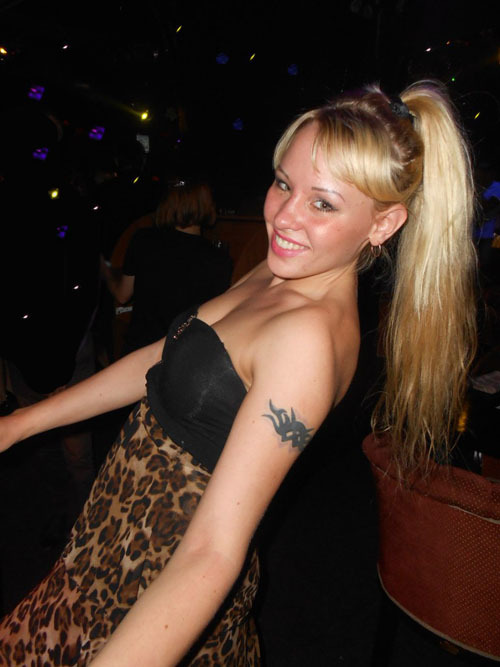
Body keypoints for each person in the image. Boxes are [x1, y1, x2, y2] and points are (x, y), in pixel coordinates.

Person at [0, 80, 476, 665]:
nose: (284, 216)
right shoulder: (280, 271)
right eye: (284, 184)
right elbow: (161, 358)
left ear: (384, 224)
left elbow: (211, 552)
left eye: (323, 203)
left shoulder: (307, 341)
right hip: (109, 539)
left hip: (158, 581)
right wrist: (22, 423)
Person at [101, 179, 233, 355]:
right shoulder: (219, 258)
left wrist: (105, 270)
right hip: (184, 357)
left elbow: (122, 295)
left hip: (140, 353)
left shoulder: (144, 239)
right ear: (207, 205)